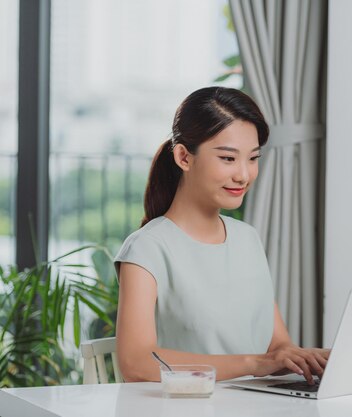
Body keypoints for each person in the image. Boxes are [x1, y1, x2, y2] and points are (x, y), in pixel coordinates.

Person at [115, 86, 328, 384]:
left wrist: (305, 359)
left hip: (256, 406)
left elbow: (277, 346)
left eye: (252, 158)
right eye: (228, 158)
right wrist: (255, 363)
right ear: (184, 158)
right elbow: (136, 362)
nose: (243, 174)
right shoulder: (147, 249)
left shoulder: (247, 239)